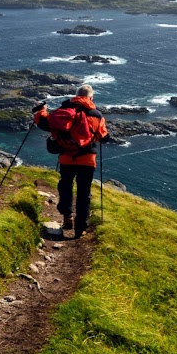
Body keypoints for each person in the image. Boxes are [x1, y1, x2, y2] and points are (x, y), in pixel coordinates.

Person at [32, 84, 110, 239]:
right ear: (91, 97)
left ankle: (67, 217)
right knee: (84, 193)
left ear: (76, 95)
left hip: (67, 158)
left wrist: (41, 109)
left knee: (65, 186)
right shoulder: (97, 115)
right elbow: (104, 137)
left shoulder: (64, 112)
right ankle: (80, 228)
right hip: (87, 160)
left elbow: (44, 123)